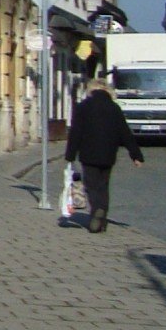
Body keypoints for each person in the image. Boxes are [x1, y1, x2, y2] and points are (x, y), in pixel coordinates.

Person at [64, 80, 143, 233]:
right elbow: (125, 133)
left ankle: (96, 210)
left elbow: (76, 132)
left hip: (88, 154)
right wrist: (136, 155)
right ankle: (102, 219)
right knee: (103, 186)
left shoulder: (83, 107)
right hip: (108, 154)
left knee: (91, 185)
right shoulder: (114, 108)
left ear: (90, 91)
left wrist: (70, 155)